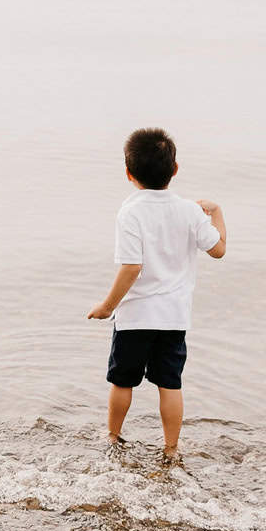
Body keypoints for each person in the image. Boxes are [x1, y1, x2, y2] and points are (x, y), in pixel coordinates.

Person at [87, 127, 226, 461]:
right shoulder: (191, 211)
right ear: (174, 170)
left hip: (135, 317)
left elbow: (131, 267)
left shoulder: (130, 212)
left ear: (128, 173)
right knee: (170, 384)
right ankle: (171, 449)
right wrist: (217, 213)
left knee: (122, 382)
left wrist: (108, 306)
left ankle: (113, 437)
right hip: (174, 317)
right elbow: (218, 249)